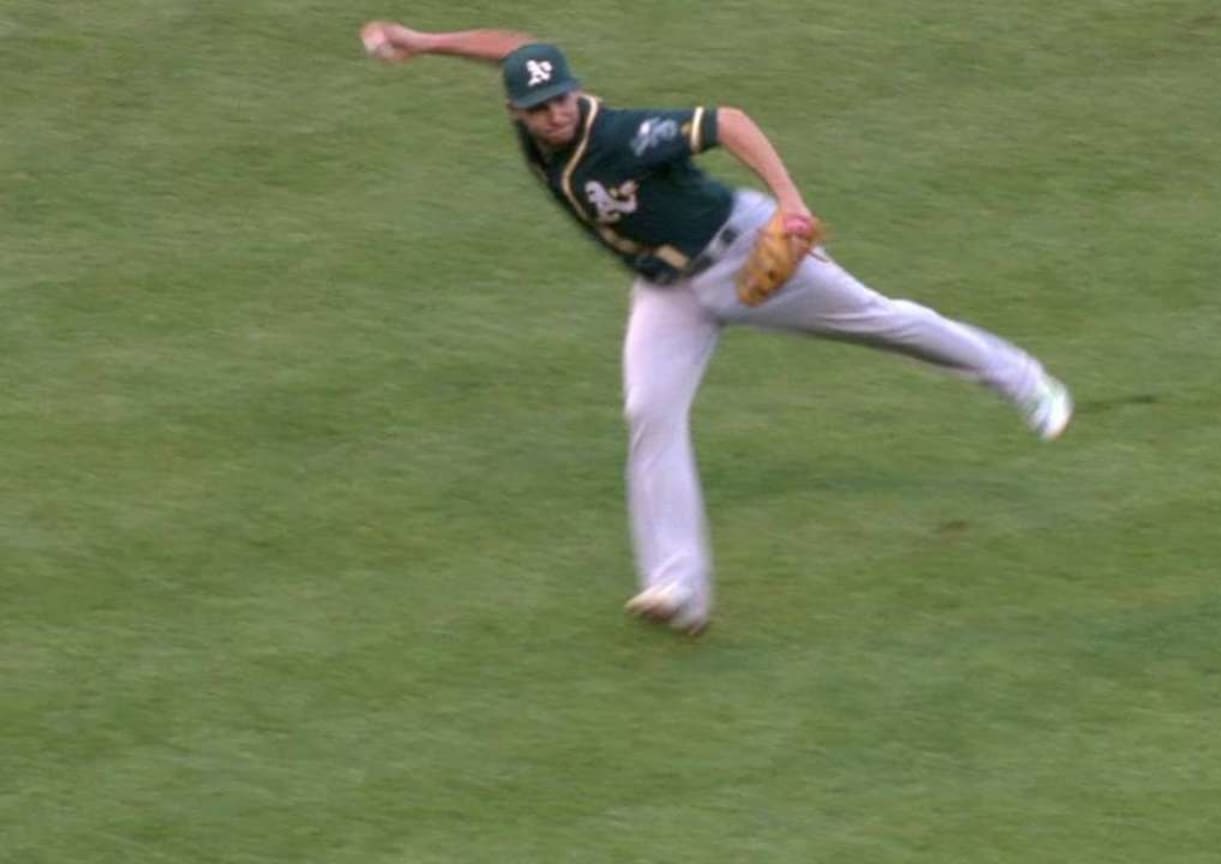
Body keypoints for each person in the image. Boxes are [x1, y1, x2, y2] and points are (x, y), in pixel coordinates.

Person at [358, 22, 1073, 635]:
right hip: (669, 292)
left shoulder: (622, 135)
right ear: (517, 111)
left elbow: (726, 121)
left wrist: (791, 205)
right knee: (650, 412)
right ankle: (680, 589)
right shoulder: (536, 129)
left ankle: (1022, 379)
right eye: (539, 107)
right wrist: (422, 43)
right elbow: (516, 47)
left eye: (561, 99)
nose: (555, 114)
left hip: (743, 252)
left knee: (881, 322)